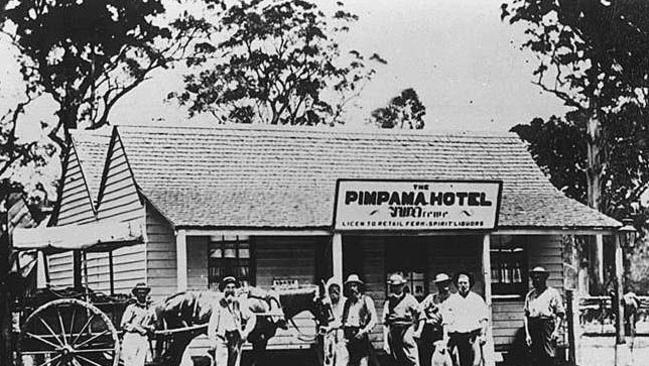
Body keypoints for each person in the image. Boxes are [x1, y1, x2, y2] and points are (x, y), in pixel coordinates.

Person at [208, 276, 257, 366]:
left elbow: (252, 317)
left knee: (235, 364)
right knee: (221, 363)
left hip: (235, 339)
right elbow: (212, 325)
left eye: (233, 288)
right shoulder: (219, 304)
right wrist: (213, 341)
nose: (230, 290)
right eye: (228, 287)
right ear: (224, 289)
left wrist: (245, 332)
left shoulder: (239, 304)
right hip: (222, 339)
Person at [445, 272, 488, 366]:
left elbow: (484, 319)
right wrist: (446, 338)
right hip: (457, 338)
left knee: (476, 363)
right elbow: (446, 322)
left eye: (465, 283)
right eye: (460, 283)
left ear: (470, 284)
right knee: (457, 363)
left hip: (473, 336)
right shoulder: (451, 301)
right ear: (457, 284)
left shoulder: (477, 299)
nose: (463, 285)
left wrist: (483, 334)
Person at [524, 267, 565, 366]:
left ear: (544, 279)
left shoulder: (552, 293)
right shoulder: (530, 295)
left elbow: (560, 313)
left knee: (549, 355)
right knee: (535, 356)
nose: (535, 280)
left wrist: (556, 330)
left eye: (538, 277)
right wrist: (527, 334)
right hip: (533, 326)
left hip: (547, 326)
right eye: (534, 278)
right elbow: (526, 315)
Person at [383, 273, 421, 366]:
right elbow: (385, 323)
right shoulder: (389, 302)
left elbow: (421, 314)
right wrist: (385, 342)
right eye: (393, 286)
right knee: (397, 357)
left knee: (411, 355)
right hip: (394, 331)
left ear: (403, 286)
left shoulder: (410, 299)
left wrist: (418, 331)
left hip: (407, 328)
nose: (396, 288)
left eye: (398, 286)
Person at [415, 273, 453, 366]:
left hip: (448, 334)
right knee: (426, 359)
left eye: (446, 283)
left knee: (449, 360)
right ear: (437, 285)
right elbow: (418, 309)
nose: (445, 286)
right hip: (430, 334)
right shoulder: (431, 298)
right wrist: (426, 319)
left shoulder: (453, 299)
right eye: (442, 283)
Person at [341, 274, 378, 366]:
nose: (352, 288)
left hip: (360, 335)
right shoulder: (347, 302)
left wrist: (364, 331)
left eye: (354, 285)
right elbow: (343, 321)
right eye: (350, 286)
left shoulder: (366, 300)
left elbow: (374, 320)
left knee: (363, 362)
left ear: (359, 287)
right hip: (348, 337)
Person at [120, 283, 153, 366]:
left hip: (143, 339)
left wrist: (151, 327)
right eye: (140, 292)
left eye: (144, 292)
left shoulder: (150, 309)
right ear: (136, 294)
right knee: (130, 363)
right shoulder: (131, 308)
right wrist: (138, 329)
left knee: (140, 363)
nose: (142, 295)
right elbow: (124, 324)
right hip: (131, 338)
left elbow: (154, 322)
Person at [322, 277, 349, 366]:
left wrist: (334, 326)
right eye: (331, 290)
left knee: (342, 360)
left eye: (336, 289)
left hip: (342, 335)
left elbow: (346, 320)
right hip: (329, 336)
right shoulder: (326, 304)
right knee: (328, 360)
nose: (334, 292)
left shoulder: (346, 302)